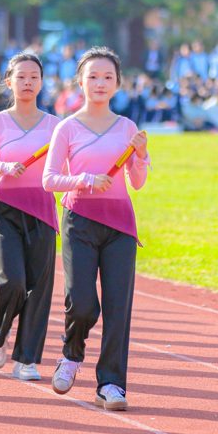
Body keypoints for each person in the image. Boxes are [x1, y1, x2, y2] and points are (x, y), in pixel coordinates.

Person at [42, 46, 149, 411]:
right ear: (80, 81)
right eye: (92, 76)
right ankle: (71, 355)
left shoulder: (128, 128)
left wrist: (141, 156)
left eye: (107, 77)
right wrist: (85, 179)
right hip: (80, 220)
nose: (100, 83)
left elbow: (137, 183)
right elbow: (50, 180)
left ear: (117, 83)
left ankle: (111, 384)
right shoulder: (67, 127)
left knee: (118, 307)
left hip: (120, 224)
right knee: (83, 302)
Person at [0, 52, 59, 381]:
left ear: (42, 82)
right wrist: (3, 167)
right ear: (9, 82)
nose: (27, 82)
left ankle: (27, 359)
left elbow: (67, 166)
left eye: (34, 77)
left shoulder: (55, 126)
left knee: (39, 288)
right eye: (21, 76)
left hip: (42, 210)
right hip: (6, 209)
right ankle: (1, 328)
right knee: (12, 280)